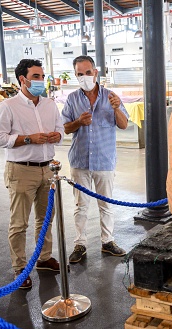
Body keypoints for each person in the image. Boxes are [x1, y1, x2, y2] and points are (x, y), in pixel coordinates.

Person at [0, 59, 64, 289]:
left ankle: (44, 258)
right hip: (21, 170)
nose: (41, 81)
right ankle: (19, 268)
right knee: (19, 222)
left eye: (42, 76)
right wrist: (28, 138)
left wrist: (56, 136)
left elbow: (61, 130)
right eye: (36, 76)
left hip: (47, 168)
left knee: (45, 219)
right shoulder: (8, 106)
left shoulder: (50, 105)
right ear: (22, 79)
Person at [61, 55, 128, 263]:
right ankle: (79, 244)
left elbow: (124, 124)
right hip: (80, 161)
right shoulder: (72, 99)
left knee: (106, 204)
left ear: (95, 72)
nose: (84, 77)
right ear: (76, 75)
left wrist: (117, 108)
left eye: (87, 73)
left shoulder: (111, 97)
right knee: (81, 205)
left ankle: (107, 241)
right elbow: (64, 128)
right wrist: (79, 122)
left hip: (104, 160)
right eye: (80, 74)